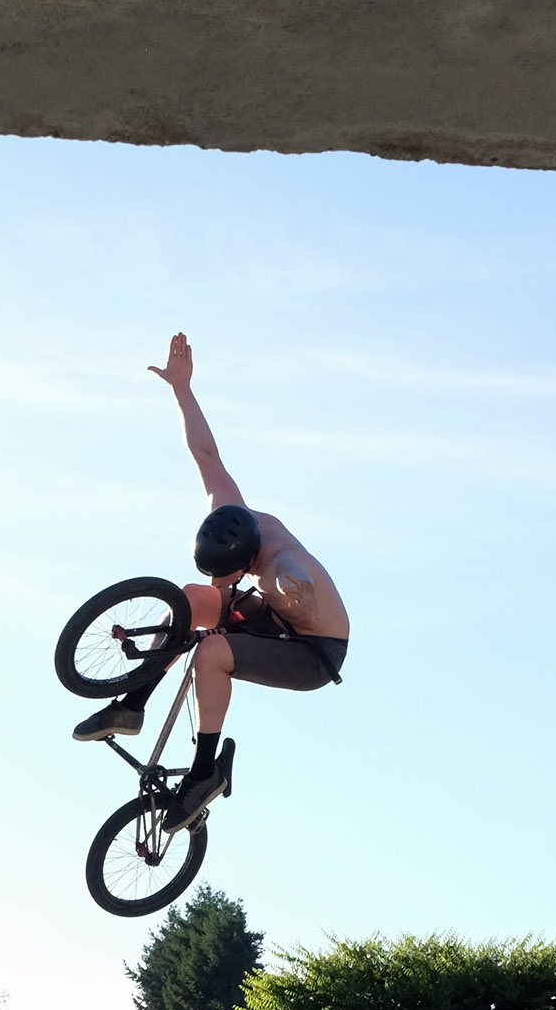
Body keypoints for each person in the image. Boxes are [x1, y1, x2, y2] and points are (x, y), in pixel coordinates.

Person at [74, 333, 351, 829]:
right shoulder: (232, 510)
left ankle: (204, 774)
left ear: (247, 564)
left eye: (229, 579)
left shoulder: (283, 565)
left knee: (211, 652)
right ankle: (133, 705)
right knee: (191, 601)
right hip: (275, 613)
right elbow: (205, 451)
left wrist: (293, 591)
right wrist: (181, 388)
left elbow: (300, 584)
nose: (225, 585)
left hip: (314, 647)